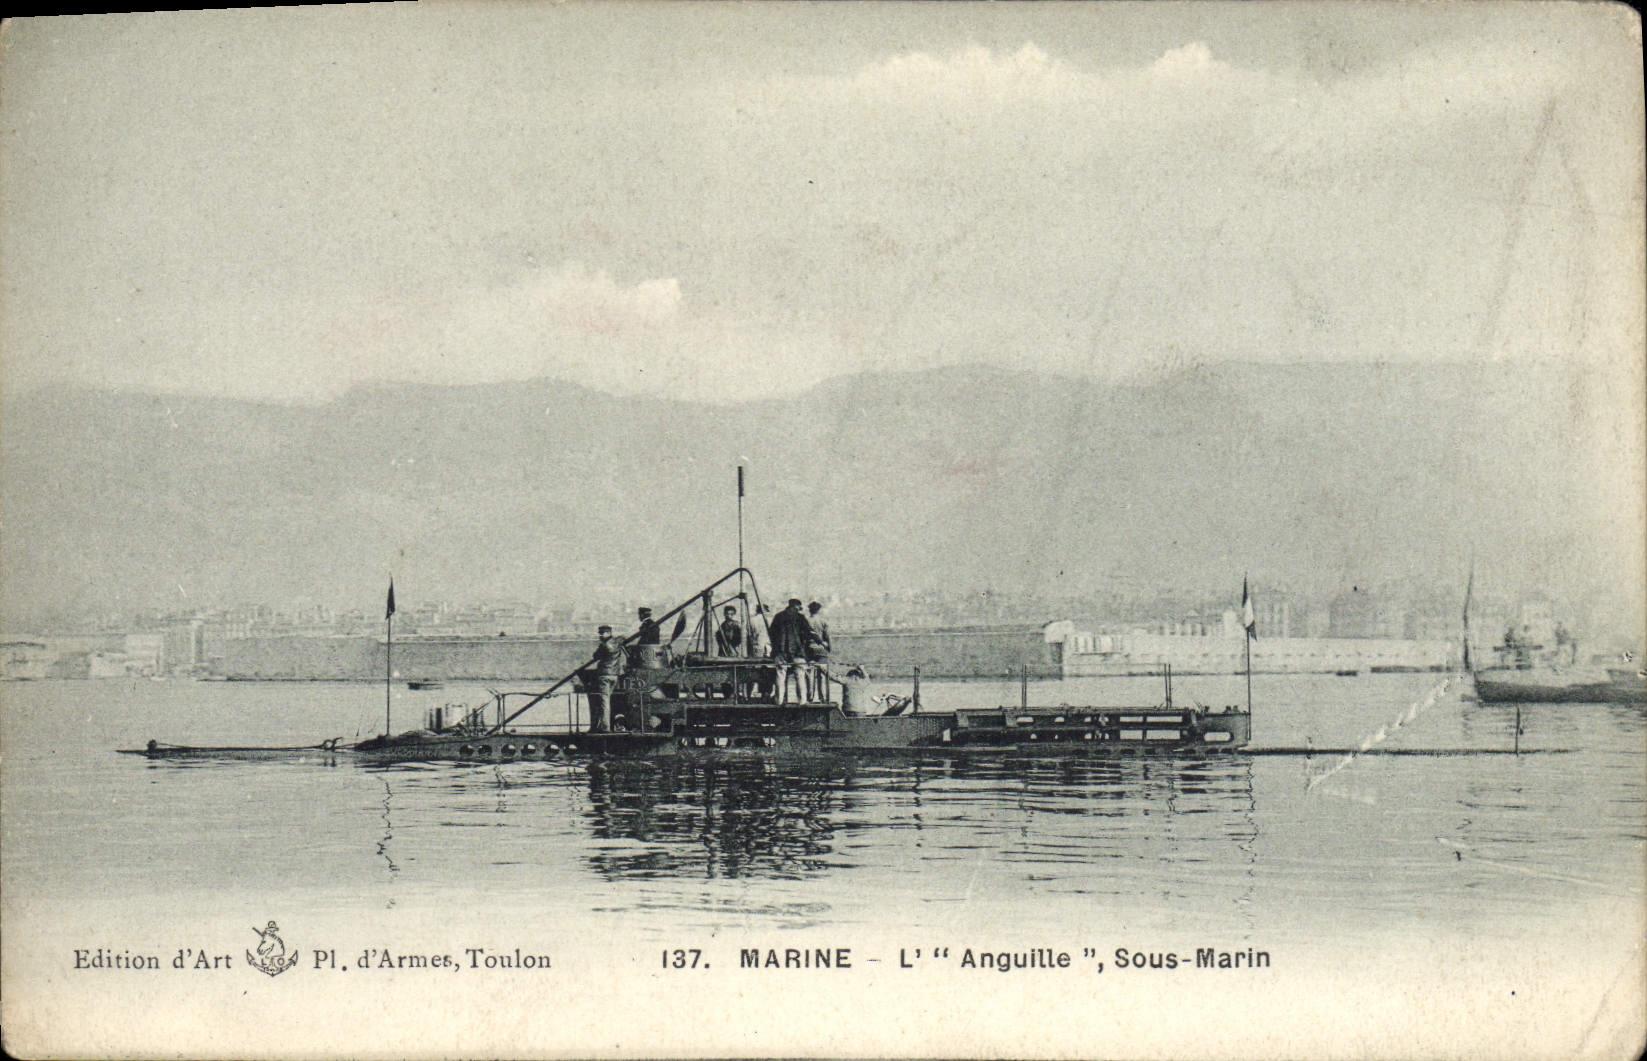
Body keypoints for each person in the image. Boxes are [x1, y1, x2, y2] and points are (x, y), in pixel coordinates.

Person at [767, 598, 813, 704]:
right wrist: (819, 642)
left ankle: (779, 700)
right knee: (800, 675)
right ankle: (802, 700)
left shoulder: (778, 617)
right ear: (796, 606)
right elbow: (809, 632)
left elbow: (772, 634)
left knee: (780, 675)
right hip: (798, 652)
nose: (799, 609)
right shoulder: (800, 618)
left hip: (781, 652)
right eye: (799, 607)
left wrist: (776, 648)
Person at [588, 624, 625, 732]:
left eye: (602, 633)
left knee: (604, 702)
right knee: (608, 701)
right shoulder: (617, 642)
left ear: (608, 633)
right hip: (615, 675)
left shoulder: (604, 646)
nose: (600, 636)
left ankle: (605, 727)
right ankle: (607, 725)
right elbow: (623, 638)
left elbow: (595, 656)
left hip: (604, 675)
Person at [805, 601, 831, 701]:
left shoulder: (806, 621)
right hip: (821, 650)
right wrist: (828, 648)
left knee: (810, 674)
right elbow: (827, 636)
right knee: (822, 675)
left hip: (809, 650)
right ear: (819, 610)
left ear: (809, 609)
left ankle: (810, 697)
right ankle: (823, 698)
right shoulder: (823, 621)